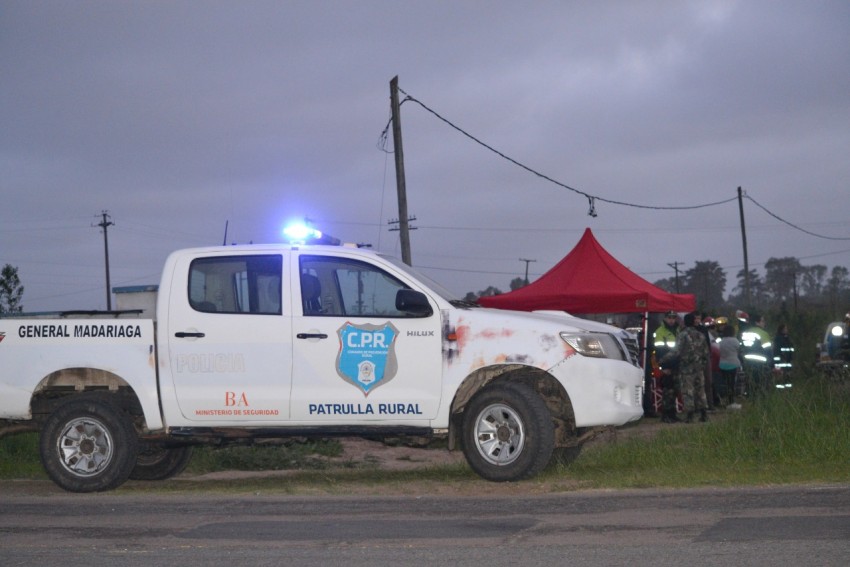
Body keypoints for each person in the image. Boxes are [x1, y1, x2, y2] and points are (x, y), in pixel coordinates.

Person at [661, 312, 710, 423]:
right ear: (694, 322)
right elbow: (706, 353)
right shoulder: (701, 335)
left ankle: (690, 415)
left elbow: (676, 351)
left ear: (684, 322)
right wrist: (702, 365)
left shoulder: (682, 335)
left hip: (686, 368)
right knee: (700, 390)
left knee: (688, 390)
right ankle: (704, 414)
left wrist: (664, 359)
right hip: (699, 368)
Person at [653, 311, 681, 423]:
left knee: (675, 391)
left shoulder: (678, 330)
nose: (671, 320)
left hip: (676, 365)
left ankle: (673, 414)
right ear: (665, 318)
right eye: (669, 318)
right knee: (667, 391)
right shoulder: (660, 332)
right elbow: (659, 351)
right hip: (667, 365)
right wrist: (663, 367)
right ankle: (666, 415)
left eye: (673, 318)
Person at [740, 312, 774, 397]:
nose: (764, 323)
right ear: (757, 322)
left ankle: (750, 396)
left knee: (751, 382)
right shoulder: (763, 333)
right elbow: (768, 350)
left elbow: (742, 347)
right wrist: (772, 364)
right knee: (761, 383)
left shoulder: (746, 332)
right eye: (762, 321)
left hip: (747, 361)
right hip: (760, 362)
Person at [717, 325, 742, 409]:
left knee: (726, 384)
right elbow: (739, 351)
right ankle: (731, 402)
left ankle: (725, 400)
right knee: (732, 384)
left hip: (722, 364)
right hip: (733, 364)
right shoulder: (735, 341)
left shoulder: (721, 341)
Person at [773, 323, 794, 388]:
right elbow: (777, 350)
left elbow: (790, 349)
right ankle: (780, 390)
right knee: (780, 375)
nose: (786, 330)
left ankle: (787, 390)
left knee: (787, 375)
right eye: (785, 329)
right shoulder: (778, 338)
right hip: (781, 360)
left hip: (787, 360)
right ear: (781, 330)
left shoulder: (787, 338)